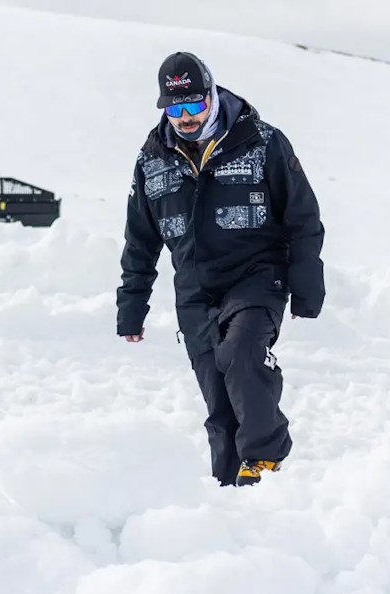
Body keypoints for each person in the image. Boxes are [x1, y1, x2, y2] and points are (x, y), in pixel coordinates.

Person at [116, 52, 325, 487]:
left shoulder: (263, 142)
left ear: (212, 96)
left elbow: (302, 218)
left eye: (194, 105)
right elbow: (141, 239)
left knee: (241, 353)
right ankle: (233, 491)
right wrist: (131, 308)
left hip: (256, 274)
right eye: (175, 109)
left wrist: (306, 288)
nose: (186, 117)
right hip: (194, 290)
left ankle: (267, 457)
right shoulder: (152, 160)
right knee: (218, 396)